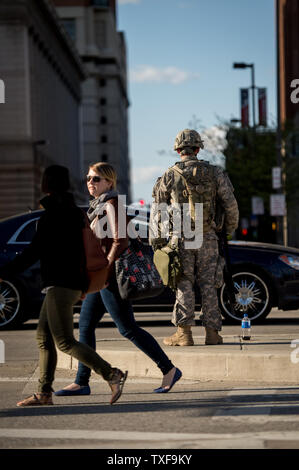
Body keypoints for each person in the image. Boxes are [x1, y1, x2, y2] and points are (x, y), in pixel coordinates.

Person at [0, 165, 127, 406]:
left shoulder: (52, 215)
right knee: (43, 338)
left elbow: (32, 252)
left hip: (60, 285)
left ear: (46, 185)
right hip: (66, 285)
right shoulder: (73, 212)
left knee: (64, 341)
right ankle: (44, 393)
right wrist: (81, 286)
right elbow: (82, 252)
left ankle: (112, 374)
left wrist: (5, 273)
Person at [54, 162, 182, 397]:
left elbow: (120, 241)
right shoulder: (98, 206)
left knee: (127, 328)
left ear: (109, 182)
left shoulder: (112, 204)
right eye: (88, 178)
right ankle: (82, 381)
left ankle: (169, 369)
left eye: (96, 179)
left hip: (110, 278)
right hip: (100, 277)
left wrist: (104, 268)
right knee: (85, 327)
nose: (90, 183)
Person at [150, 129, 239, 346]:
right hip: (208, 234)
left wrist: (158, 240)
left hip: (180, 236)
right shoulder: (216, 173)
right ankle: (212, 333)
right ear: (198, 149)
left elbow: (157, 210)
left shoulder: (169, 175)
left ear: (178, 150)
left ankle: (184, 333)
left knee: (183, 282)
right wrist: (229, 228)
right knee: (209, 284)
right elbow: (231, 205)